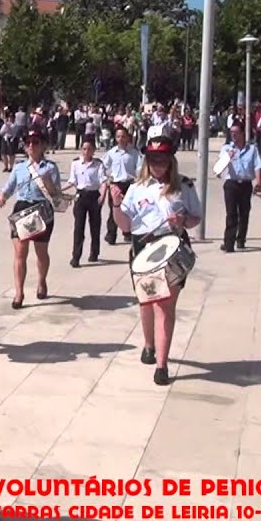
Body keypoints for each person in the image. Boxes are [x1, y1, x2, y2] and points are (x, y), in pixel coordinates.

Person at [109, 136, 202, 386]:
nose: (157, 165)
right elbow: (125, 225)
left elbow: (196, 218)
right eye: (152, 160)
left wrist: (182, 222)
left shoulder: (184, 186)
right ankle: (149, 345)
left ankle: (162, 364)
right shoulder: (137, 188)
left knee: (165, 306)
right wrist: (116, 204)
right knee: (146, 302)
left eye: (162, 160)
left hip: (172, 248)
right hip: (143, 250)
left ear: (171, 161)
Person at [0, 130, 61, 309]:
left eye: (36, 142)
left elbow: (56, 195)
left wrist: (48, 183)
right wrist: (2, 198)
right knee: (20, 253)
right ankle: (19, 291)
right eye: (28, 142)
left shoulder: (50, 167)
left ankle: (41, 281)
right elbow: (9, 187)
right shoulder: (19, 167)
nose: (31, 145)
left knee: (41, 252)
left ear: (43, 145)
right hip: (22, 208)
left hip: (42, 209)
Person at [218, 123, 261, 253]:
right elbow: (219, 167)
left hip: (245, 184)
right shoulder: (227, 148)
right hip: (231, 184)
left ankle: (241, 240)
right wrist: (226, 160)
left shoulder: (252, 149)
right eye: (231, 132)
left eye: (236, 132)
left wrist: (259, 182)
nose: (233, 134)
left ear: (243, 133)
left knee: (244, 213)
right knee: (231, 214)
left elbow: (257, 166)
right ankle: (229, 243)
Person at [101, 126, 140, 244]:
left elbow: (139, 167)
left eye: (123, 136)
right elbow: (103, 167)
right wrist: (108, 179)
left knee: (129, 210)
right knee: (114, 211)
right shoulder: (111, 153)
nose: (121, 139)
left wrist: (137, 179)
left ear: (128, 137)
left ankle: (127, 233)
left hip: (130, 184)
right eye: (118, 136)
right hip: (115, 185)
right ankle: (111, 235)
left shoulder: (134, 153)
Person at [69, 139, 104, 267]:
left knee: (95, 226)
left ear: (94, 150)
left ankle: (94, 252)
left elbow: (103, 181)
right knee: (79, 227)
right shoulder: (76, 163)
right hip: (81, 196)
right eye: (84, 149)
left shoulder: (98, 164)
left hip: (94, 196)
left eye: (89, 149)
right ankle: (76, 256)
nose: (86, 151)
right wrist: (58, 191)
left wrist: (103, 195)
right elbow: (72, 181)